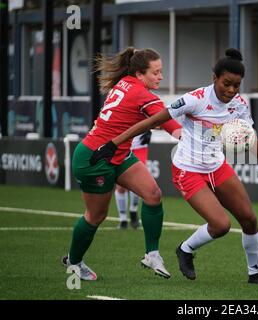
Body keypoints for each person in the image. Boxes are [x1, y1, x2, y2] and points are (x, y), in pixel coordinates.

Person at [90, 48, 258, 285]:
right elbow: (154, 120)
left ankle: (255, 273)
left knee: (250, 219)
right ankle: (186, 249)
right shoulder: (195, 99)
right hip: (187, 169)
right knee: (221, 225)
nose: (231, 90)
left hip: (217, 166)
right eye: (226, 83)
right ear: (214, 78)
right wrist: (114, 143)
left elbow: (249, 135)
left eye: (237, 85)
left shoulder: (239, 104)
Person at [62, 47, 182, 281]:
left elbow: (150, 117)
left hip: (117, 153)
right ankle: (74, 262)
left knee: (153, 195)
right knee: (95, 216)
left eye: (161, 71)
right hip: (94, 158)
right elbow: (165, 120)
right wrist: (184, 134)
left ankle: (152, 254)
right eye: (156, 72)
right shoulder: (142, 95)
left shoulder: (127, 81)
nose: (160, 77)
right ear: (139, 74)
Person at [115, 131, 151, 229]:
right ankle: (123, 219)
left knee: (137, 182)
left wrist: (149, 129)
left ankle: (133, 211)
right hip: (123, 147)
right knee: (120, 185)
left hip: (140, 147)